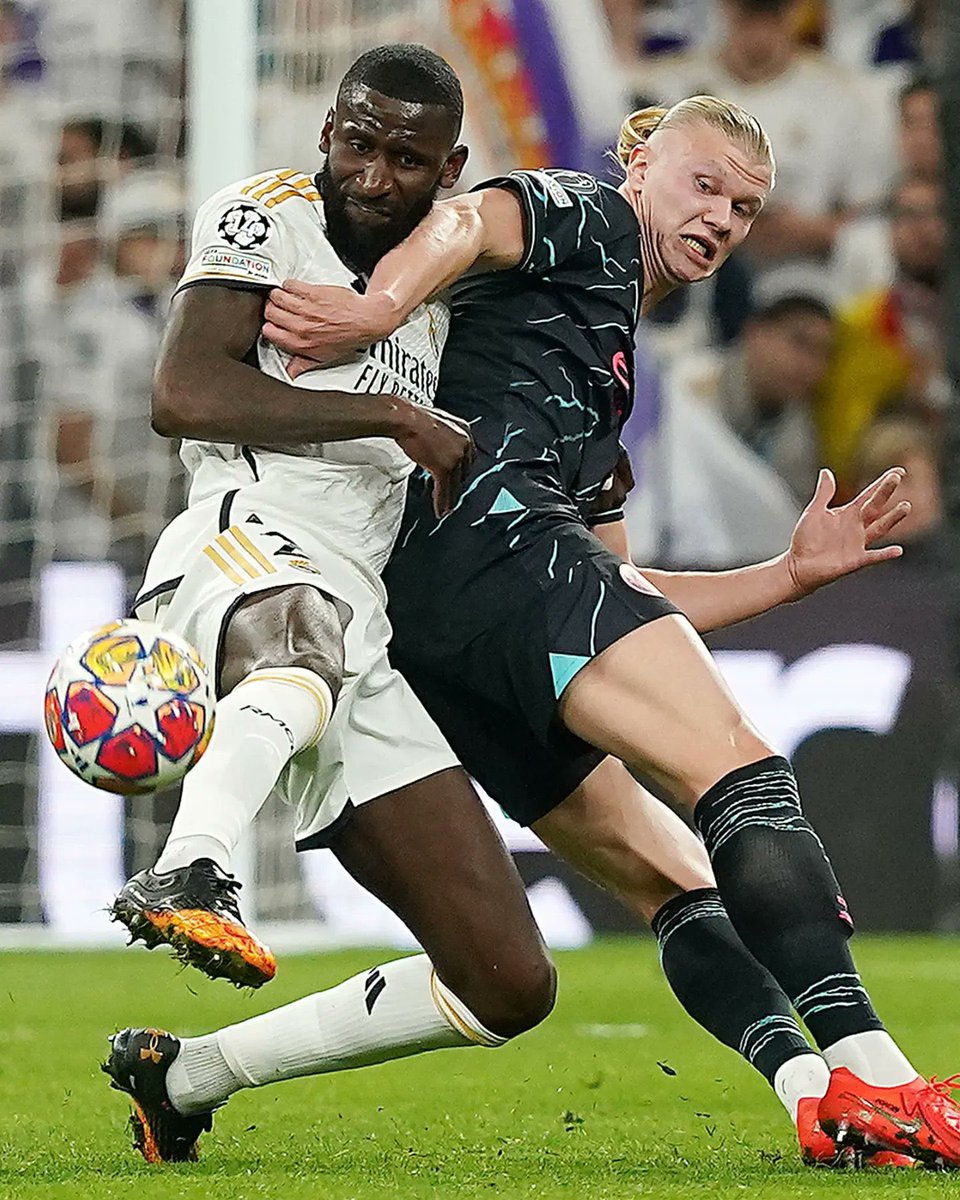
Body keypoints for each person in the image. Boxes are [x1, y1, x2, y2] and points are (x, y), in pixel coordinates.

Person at [261, 95, 960, 1169]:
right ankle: (888, 1077)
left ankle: (818, 1097)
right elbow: (477, 213)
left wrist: (786, 576)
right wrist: (375, 307)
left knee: (671, 878)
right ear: (640, 161)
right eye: (704, 182)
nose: (722, 216)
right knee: (743, 775)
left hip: (446, 618)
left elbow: (621, 583)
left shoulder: (602, 358)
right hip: (496, 547)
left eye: (745, 207)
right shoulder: (590, 216)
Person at [102, 44, 556, 1164]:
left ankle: (189, 1073)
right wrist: (391, 419)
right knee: (302, 635)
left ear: (448, 170)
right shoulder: (261, 221)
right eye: (359, 143)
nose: (373, 173)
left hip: (362, 626)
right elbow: (186, 391)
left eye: (405, 158)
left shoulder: (447, 278)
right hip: (243, 543)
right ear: (327, 135)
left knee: (506, 980)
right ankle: (194, 864)